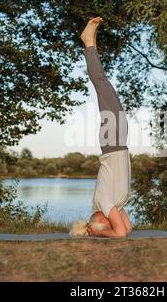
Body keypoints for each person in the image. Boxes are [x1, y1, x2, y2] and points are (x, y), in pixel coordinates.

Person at [69, 17, 132, 238]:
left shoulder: (103, 202)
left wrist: (99, 233)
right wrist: (103, 231)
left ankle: (89, 43)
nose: (109, 218)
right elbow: (127, 229)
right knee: (103, 86)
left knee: (102, 85)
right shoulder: (115, 203)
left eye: (104, 221)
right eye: (107, 222)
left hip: (112, 143)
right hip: (117, 142)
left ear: (99, 217)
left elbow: (121, 233)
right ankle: (90, 41)